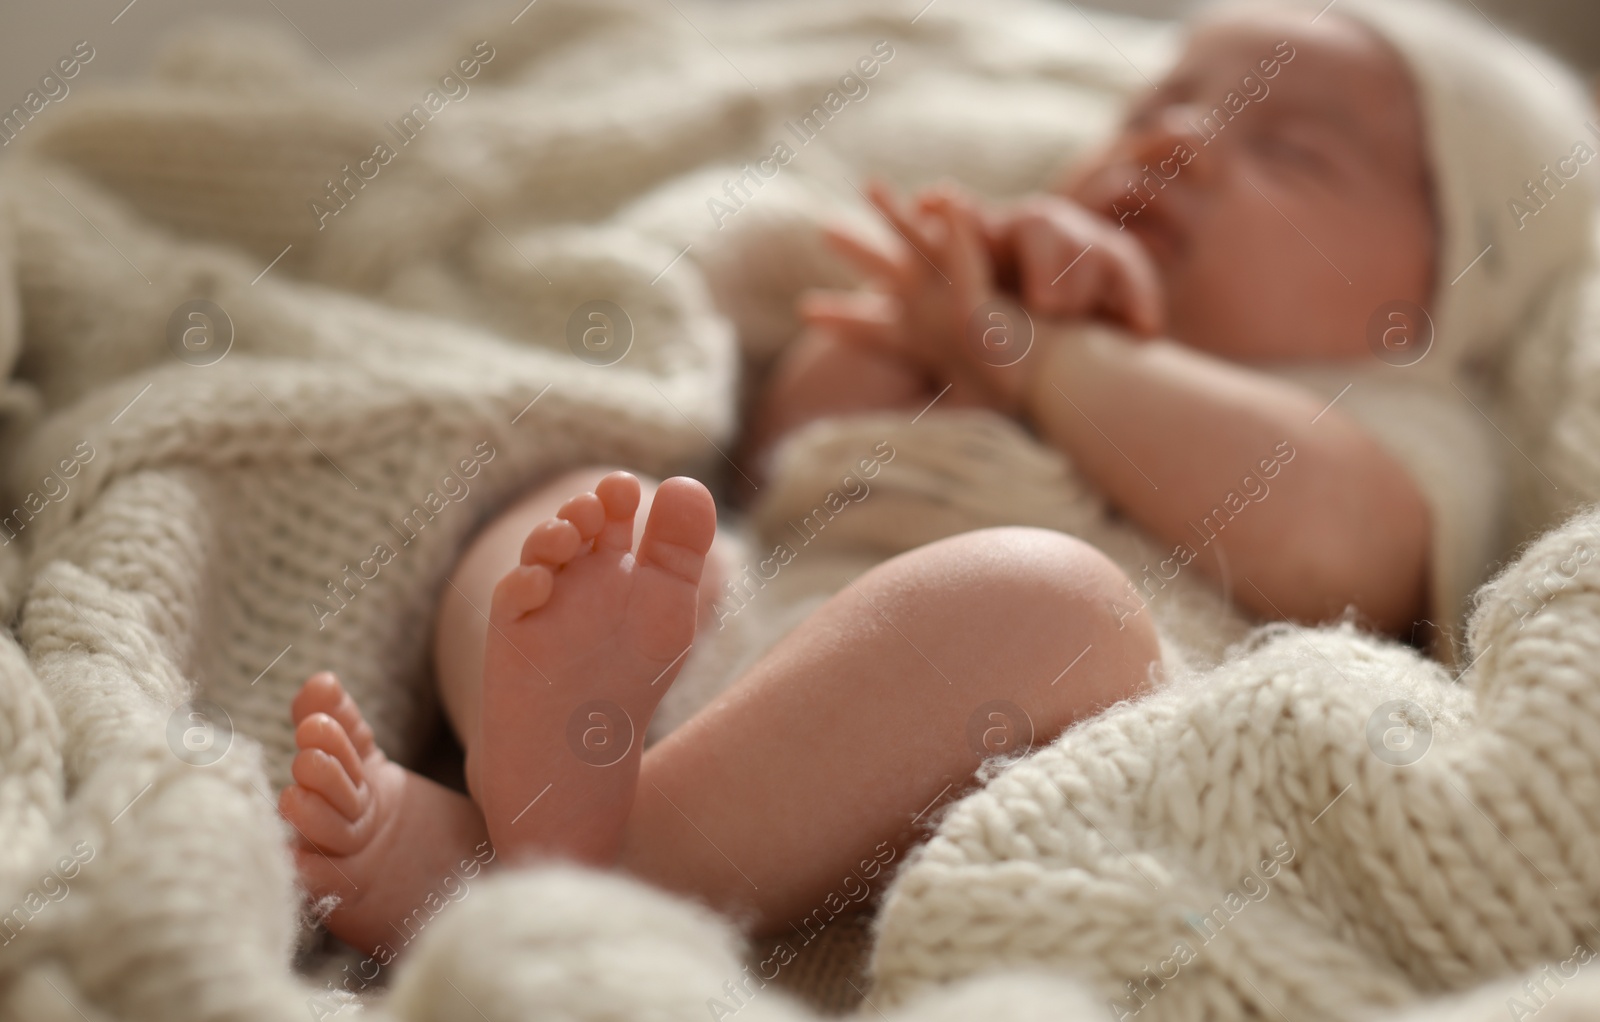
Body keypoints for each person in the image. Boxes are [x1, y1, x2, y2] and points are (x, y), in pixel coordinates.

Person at [277, 0, 1599, 956]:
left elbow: (1326, 543)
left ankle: (561, 854)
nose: (1186, 140)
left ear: (1450, 290)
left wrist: (1045, 361)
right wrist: (939, 337)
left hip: (1017, 734)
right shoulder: (991, 287)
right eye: (1160, 105)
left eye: (1290, 149)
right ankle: (568, 790)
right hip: (738, 660)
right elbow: (789, 453)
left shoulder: (1399, 407)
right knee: (585, 526)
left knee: (1047, 600)